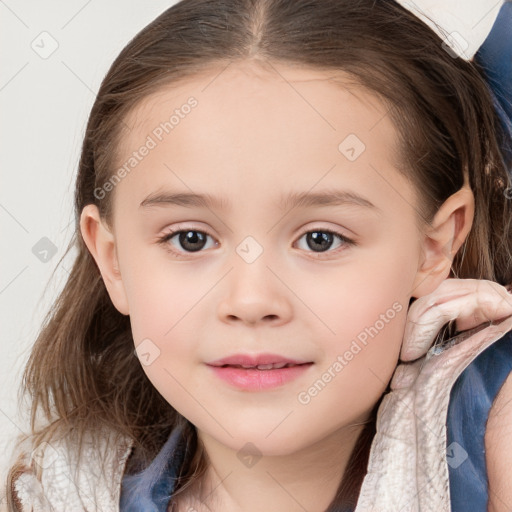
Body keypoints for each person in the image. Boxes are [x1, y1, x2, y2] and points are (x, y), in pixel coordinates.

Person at [2, 0, 512, 510]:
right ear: (112, 260)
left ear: (434, 245)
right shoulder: (58, 491)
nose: (251, 301)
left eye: (320, 239)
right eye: (191, 239)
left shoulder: (492, 437)